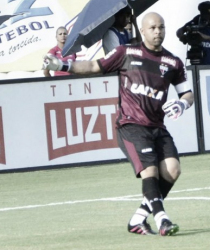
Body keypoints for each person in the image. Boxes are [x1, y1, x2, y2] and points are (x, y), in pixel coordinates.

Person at [43, 12, 194, 236]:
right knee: (150, 171)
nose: (157, 32)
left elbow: (187, 94)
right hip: (130, 125)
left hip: (157, 127)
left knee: (172, 170)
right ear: (142, 30)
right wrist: (63, 66)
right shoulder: (126, 53)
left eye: (161, 27)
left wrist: (183, 105)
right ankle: (163, 220)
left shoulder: (173, 62)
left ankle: (137, 219)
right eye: (152, 28)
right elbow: (94, 66)